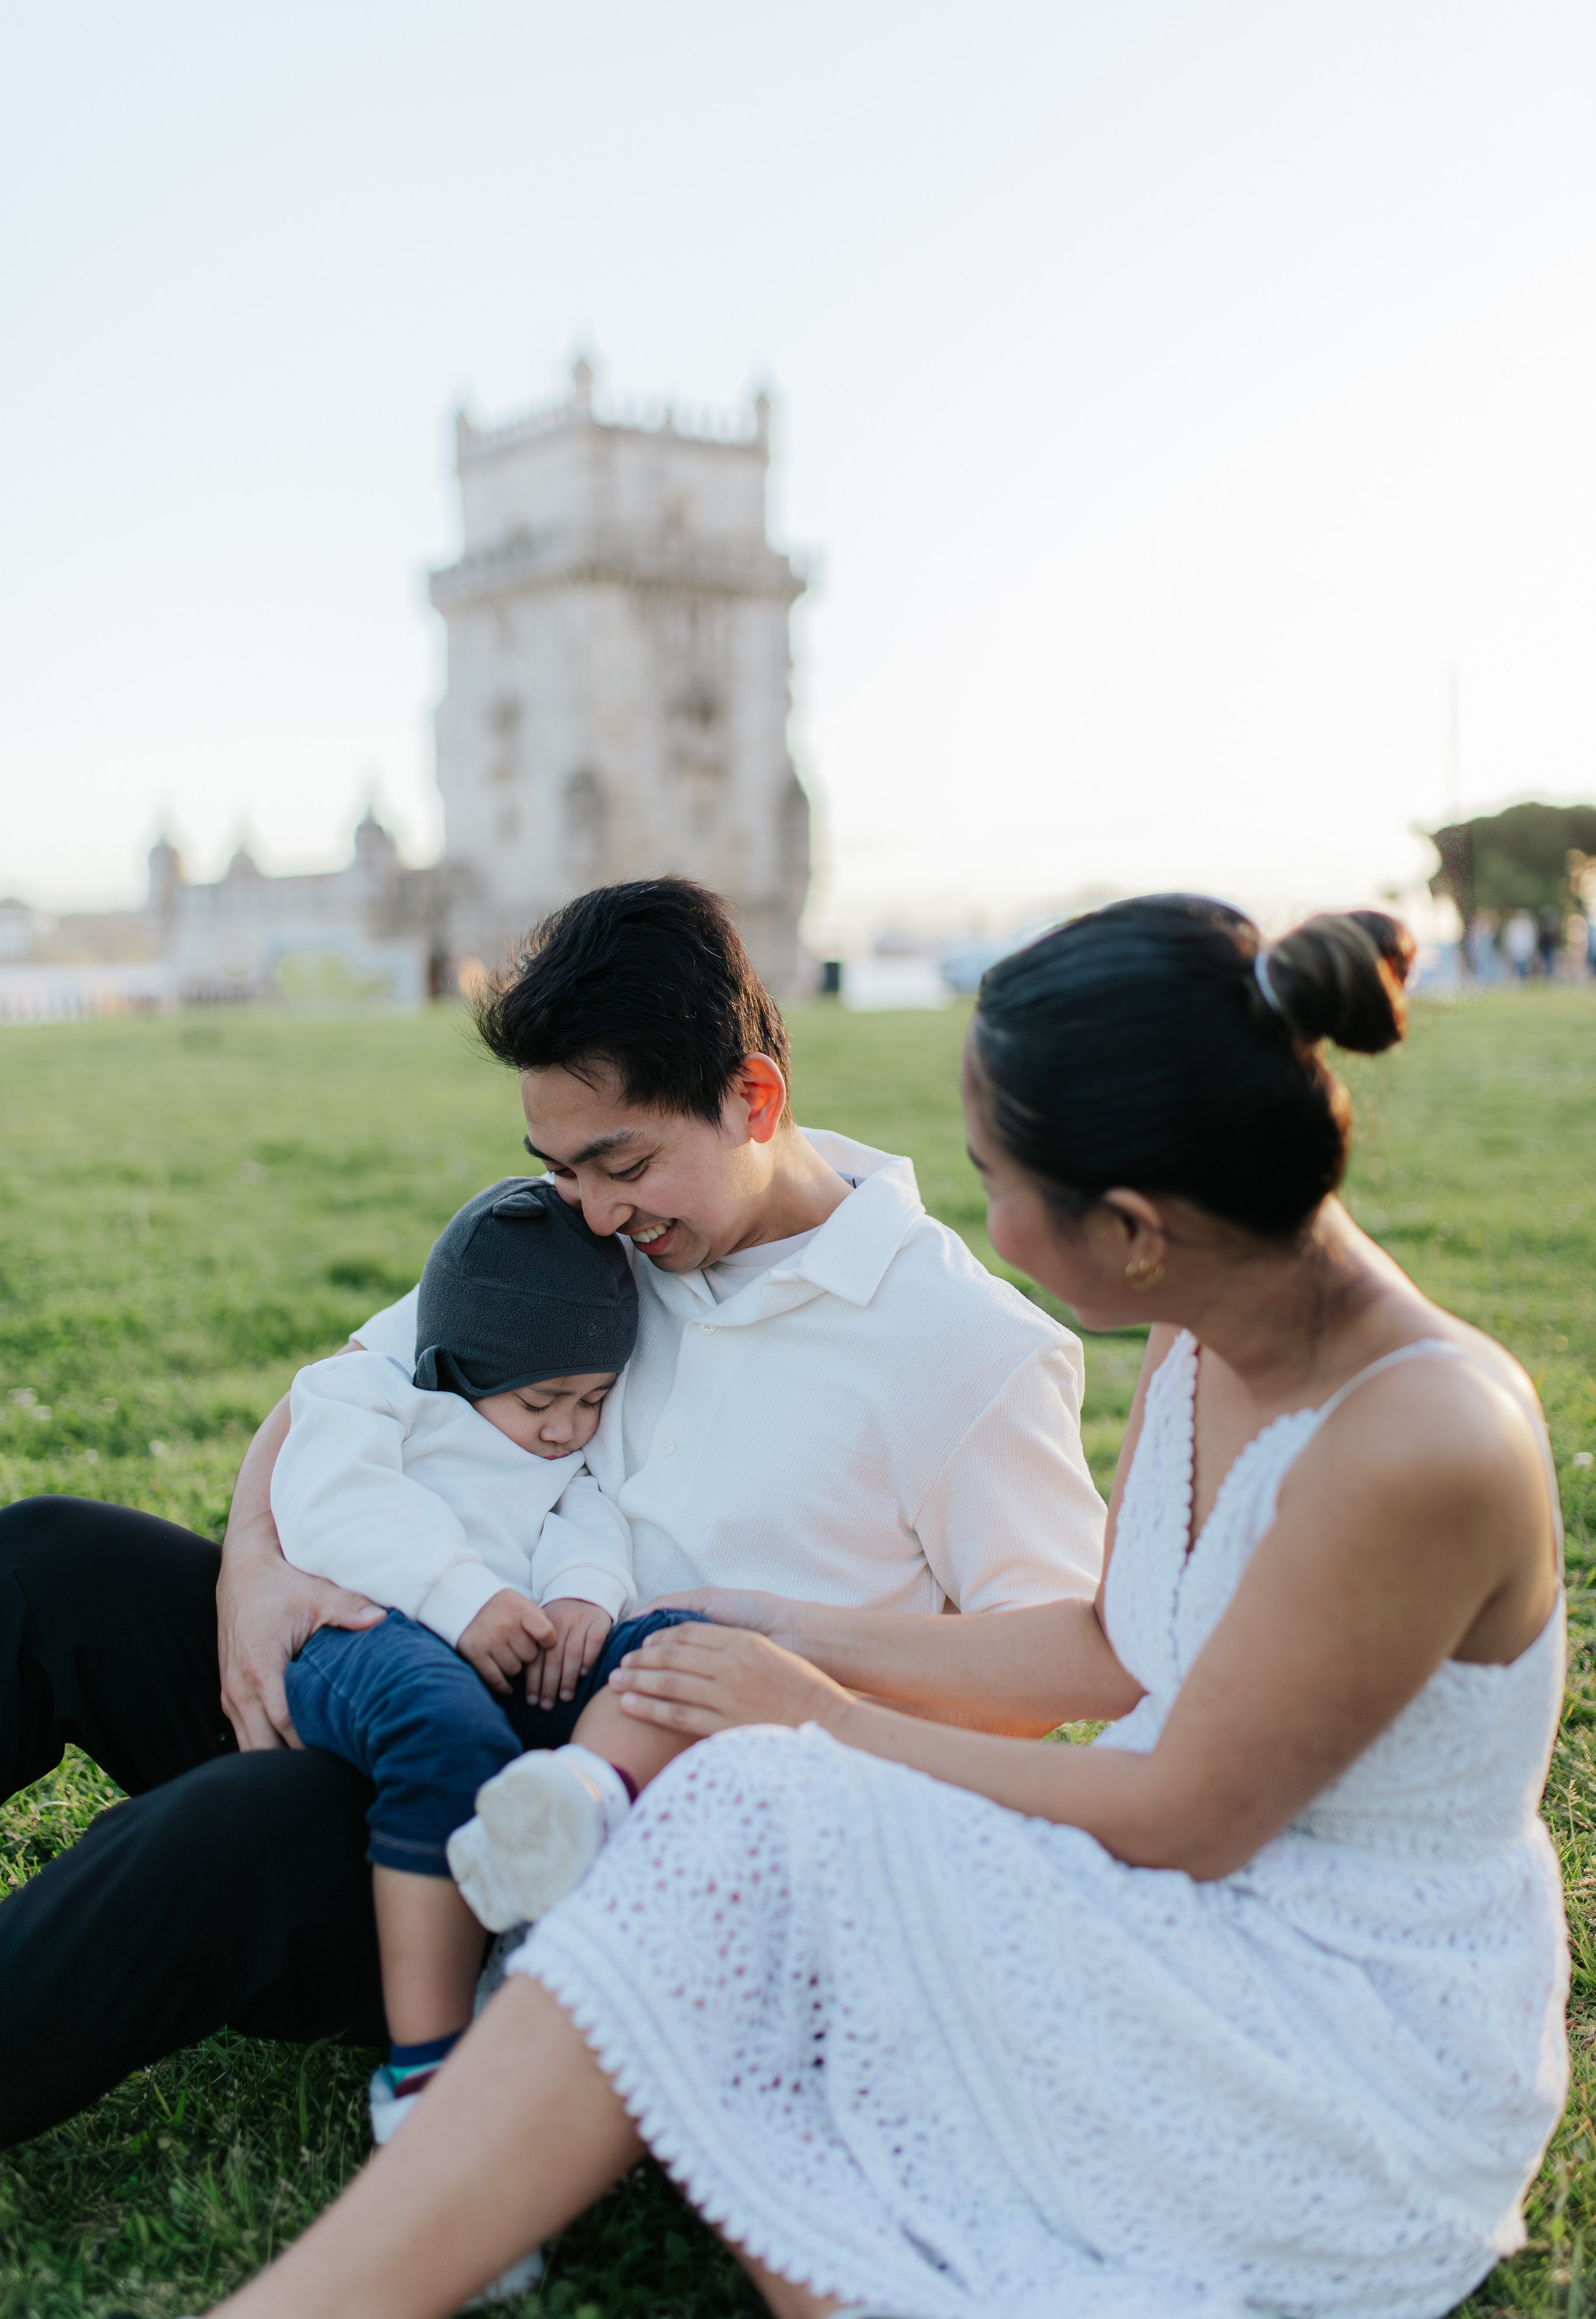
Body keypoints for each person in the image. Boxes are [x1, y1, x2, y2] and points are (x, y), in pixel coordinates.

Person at [209, 896, 1565, 2319]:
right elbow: (1114, 1643)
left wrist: (816, 1717)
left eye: (997, 1179)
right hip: (1179, 1887)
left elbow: (1186, 1812)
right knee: (744, 1815)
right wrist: (766, 1632)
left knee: (760, 1803)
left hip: (1328, 2016)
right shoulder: (1205, 1325)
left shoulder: (1419, 1441)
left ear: (1136, 1226)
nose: (982, 1224)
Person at [0, 878, 1104, 2144]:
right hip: (417, 1679)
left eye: (620, 1163)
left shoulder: (962, 1347)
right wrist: (254, 1566)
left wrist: (766, 1641)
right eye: (560, 1168)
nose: (588, 1210)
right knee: (52, 1560)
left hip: (584, 1847)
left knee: (243, 1832)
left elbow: (1059, 1662)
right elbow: (353, 1389)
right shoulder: (592, 1241)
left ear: (754, 1098)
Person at [272, 1174, 702, 2143]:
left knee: (684, 1648)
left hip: (517, 1644)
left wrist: (585, 1594)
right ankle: (427, 2081)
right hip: (374, 1633)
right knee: (444, 1730)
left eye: (593, 1400)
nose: (567, 1428)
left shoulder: (563, 1445)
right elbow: (336, 1509)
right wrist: (462, 1599)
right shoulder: (371, 1399)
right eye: (546, 1399)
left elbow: (588, 1508)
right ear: (458, 1358)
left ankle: (572, 1823)